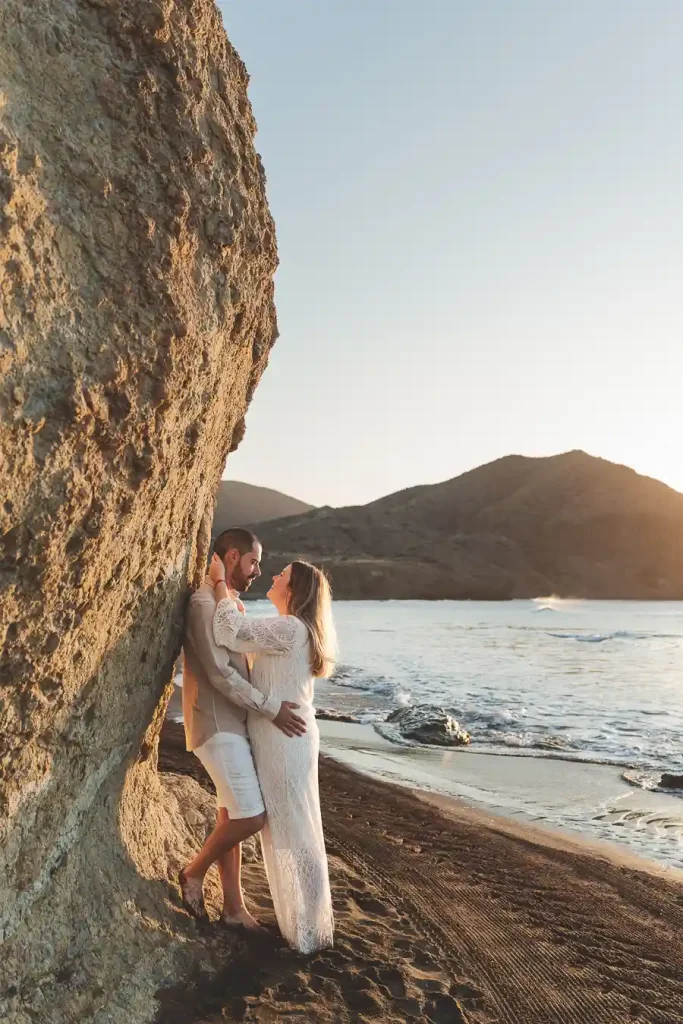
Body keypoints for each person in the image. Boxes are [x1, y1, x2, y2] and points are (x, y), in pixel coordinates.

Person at [208, 551, 336, 954]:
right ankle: (306, 925)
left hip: (285, 739)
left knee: (293, 827)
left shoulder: (292, 629)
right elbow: (243, 634)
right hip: (283, 735)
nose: (275, 575)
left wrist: (219, 584)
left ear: (293, 589)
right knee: (291, 824)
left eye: (281, 574)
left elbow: (230, 631)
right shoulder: (291, 629)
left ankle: (309, 929)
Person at [178, 528, 306, 929]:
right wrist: (271, 709)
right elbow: (219, 675)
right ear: (232, 557)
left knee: (230, 815)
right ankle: (192, 872)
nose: (256, 572)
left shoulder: (228, 604)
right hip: (215, 724)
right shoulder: (203, 603)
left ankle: (233, 908)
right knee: (251, 818)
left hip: (234, 725)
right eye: (253, 562)